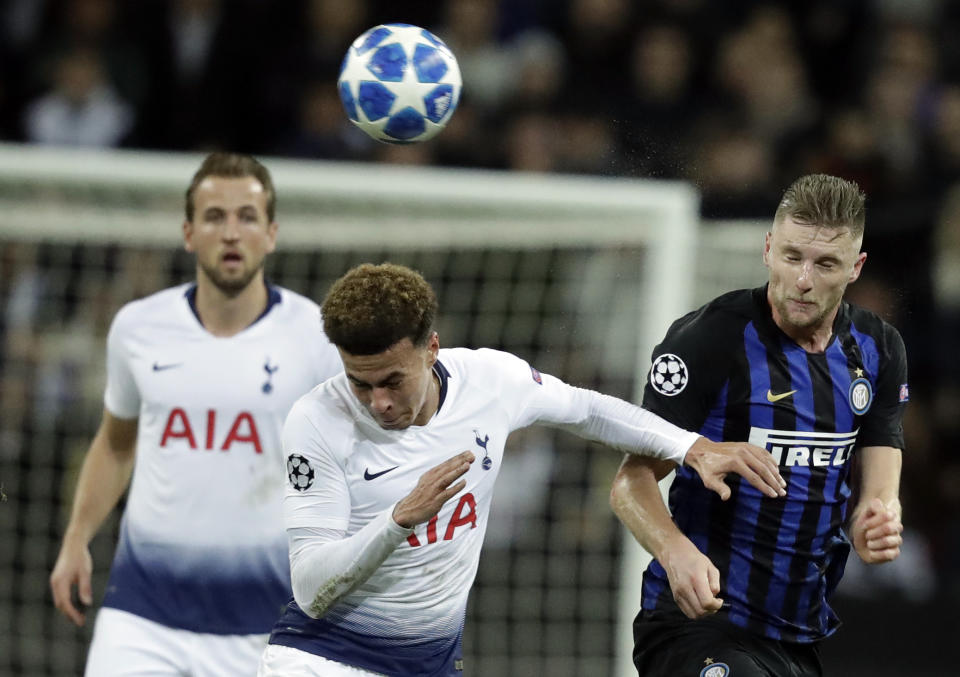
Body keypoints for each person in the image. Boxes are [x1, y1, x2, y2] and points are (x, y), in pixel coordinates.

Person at [256, 262, 787, 677]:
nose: (378, 403)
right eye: (359, 383)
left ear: (432, 348)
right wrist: (398, 520)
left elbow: (588, 410)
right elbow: (309, 586)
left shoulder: (490, 380)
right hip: (321, 658)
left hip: (429, 663)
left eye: (392, 381)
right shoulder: (318, 421)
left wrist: (692, 446)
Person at [49, 152, 342, 676]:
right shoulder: (138, 327)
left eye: (247, 217)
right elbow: (116, 444)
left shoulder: (316, 337)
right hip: (143, 618)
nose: (231, 232)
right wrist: (76, 539)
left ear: (271, 234)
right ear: (188, 233)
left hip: (266, 626)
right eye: (214, 217)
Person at [610, 174, 908, 676]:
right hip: (696, 624)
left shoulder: (878, 350)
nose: (804, 279)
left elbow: (877, 494)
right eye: (792, 257)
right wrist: (674, 551)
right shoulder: (710, 339)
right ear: (768, 249)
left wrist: (875, 521)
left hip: (796, 635)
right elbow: (629, 483)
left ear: (855, 268)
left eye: (825, 263)